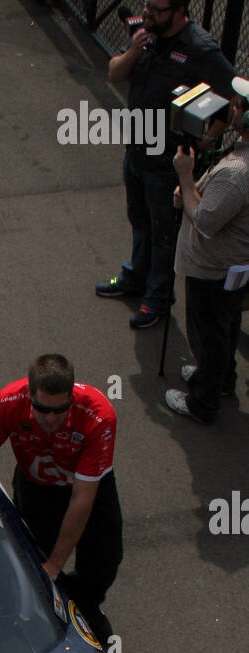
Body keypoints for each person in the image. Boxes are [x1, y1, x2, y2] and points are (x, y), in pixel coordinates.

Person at [95, 2, 234, 330]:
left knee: (164, 236)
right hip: (136, 152)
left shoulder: (200, 48)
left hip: (166, 163)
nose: (148, 14)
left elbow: (230, 97)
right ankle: (134, 277)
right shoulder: (146, 36)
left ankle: (157, 298)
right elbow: (114, 72)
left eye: (157, 9)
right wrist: (133, 50)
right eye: (147, 6)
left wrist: (209, 139)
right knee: (140, 221)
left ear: (179, 10)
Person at [0, 355, 123, 646]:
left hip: (86, 486)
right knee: (35, 560)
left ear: (71, 398)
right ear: (29, 395)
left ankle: (86, 606)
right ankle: (43, 614)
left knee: (106, 558)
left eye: (60, 410)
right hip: (37, 488)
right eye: (42, 409)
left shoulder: (99, 414)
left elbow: (82, 498)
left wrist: (57, 563)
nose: (51, 418)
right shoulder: (7, 403)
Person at [166, 76, 249, 422]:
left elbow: (205, 219)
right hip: (234, 267)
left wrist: (186, 179)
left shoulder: (236, 173)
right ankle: (219, 380)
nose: (230, 106)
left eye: (238, 104)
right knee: (225, 326)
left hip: (214, 267)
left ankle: (203, 400)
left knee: (208, 331)